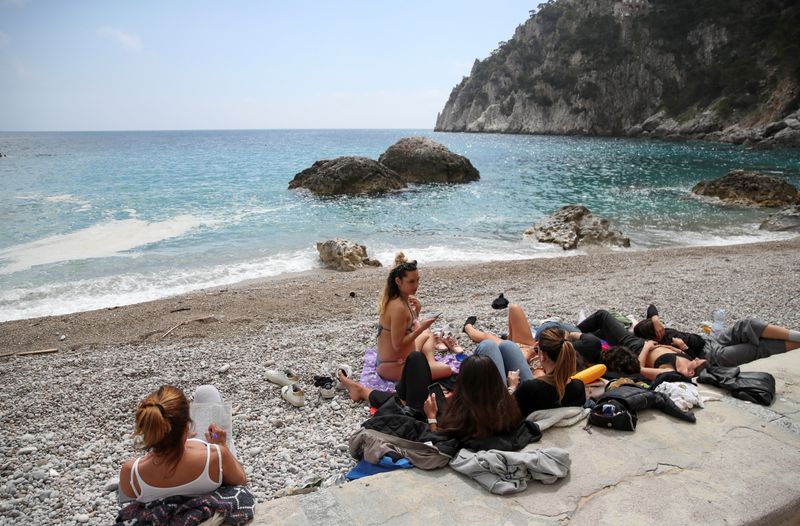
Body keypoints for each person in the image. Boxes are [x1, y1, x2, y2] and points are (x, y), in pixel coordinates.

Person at [339, 353, 522, 441]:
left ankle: (363, 391)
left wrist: (432, 415)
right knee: (403, 389)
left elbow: (439, 441)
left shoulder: (464, 418)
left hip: (433, 417)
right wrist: (512, 388)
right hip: (459, 411)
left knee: (416, 360)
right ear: (496, 384)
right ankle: (366, 392)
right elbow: (500, 401)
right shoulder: (508, 408)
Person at [118, 385, 247, 503]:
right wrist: (221, 445)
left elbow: (131, 504)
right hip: (206, 469)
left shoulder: (130, 472)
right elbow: (241, 481)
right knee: (207, 392)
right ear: (187, 427)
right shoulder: (216, 456)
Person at [634, 305, 800, 368]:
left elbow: (651, 307)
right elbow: (690, 365)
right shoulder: (656, 348)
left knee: (746, 324)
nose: (662, 330)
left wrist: (655, 319)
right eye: (658, 331)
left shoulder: (654, 327)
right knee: (758, 348)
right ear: (653, 337)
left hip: (711, 340)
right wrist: (683, 347)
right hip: (710, 357)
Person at [376, 253, 452, 382]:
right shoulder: (398, 307)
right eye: (411, 281)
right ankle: (428, 364)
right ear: (398, 281)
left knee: (428, 334)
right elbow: (398, 345)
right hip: (392, 364)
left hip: (407, 356)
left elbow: (406, 327)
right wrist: (421, 327)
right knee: (447, 370)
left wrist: (417, 312)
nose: (416, 285)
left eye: (417, 280)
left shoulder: (404, 298)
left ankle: (429, 361)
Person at [463, 304, 602, 366]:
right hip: (531, 350)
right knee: (513, 309)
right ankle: (469, 328)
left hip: (525, 352)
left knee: (488, 338)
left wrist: (529, 354)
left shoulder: (543, 369)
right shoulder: (572, 356)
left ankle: (468, 327)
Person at [509, 327, 586, 417]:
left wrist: (512, 387)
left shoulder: (530, 388)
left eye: (538, 350)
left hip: (528, 426)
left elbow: (507, 415)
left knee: (503, 346)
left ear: (542, 356)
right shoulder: (579, 387)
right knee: (506, 346)